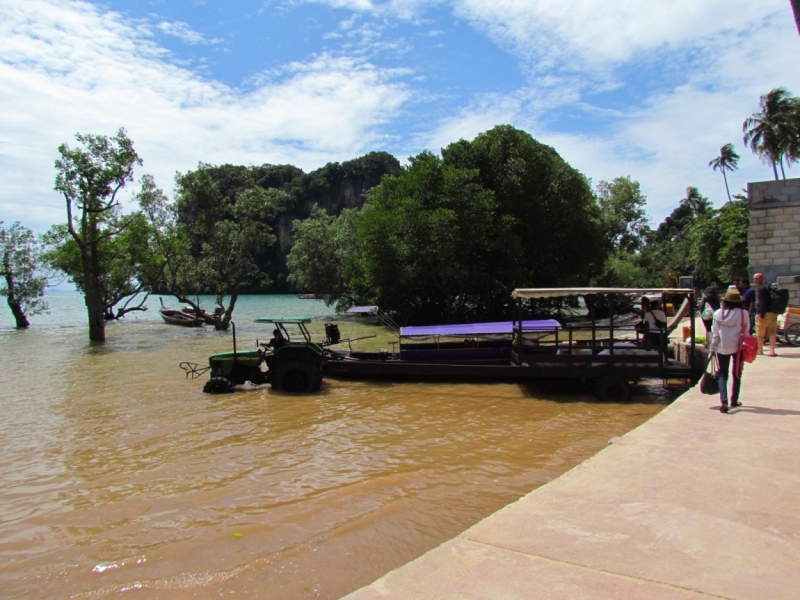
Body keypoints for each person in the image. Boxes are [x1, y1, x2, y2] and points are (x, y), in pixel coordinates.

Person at [709, 289, 746, 413]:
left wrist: (712, 349)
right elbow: (747, 331)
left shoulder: (717, 314)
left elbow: (715, 334)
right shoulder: (743, 313)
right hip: (738, 347)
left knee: (722, 374)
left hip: (722, 347)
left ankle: (723, 401)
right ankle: (734, 399)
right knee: (737, 373)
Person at [753, 272, 778, 356]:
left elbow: (763, 303)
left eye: (756, 278)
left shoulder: (762, 288)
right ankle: (772, 351)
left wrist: (761, 314)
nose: (754, 280)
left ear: (761, 278)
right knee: (772, 332)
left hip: (764, 313)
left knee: (760, 333)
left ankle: (760, 350)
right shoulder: (770, 286)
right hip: (773, 312)